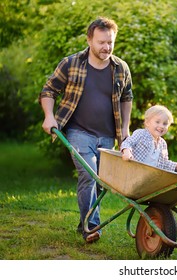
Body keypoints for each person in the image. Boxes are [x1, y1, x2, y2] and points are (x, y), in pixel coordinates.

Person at [39, 17, 133, 243]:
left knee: (100, 181)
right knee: (88, 175)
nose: (106, 47)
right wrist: (49, 116)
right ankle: (91, 227)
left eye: (110, 42)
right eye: (101, 42)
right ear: (89, 40)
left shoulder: (120, 68)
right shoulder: (71, 64)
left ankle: (86, 221)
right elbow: (49, 90)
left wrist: (125, 128)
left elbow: (127, 97)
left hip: (108, 135)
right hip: (78, 132)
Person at [121, 105, 177, 173]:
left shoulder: (162, 144)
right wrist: (127, 152)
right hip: (134, 172)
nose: (161, 126)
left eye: (165, 124)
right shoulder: (140, 134)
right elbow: (127, 143)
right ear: (147, 122)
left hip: (149, 178)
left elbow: (164, 164)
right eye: (157, 122)